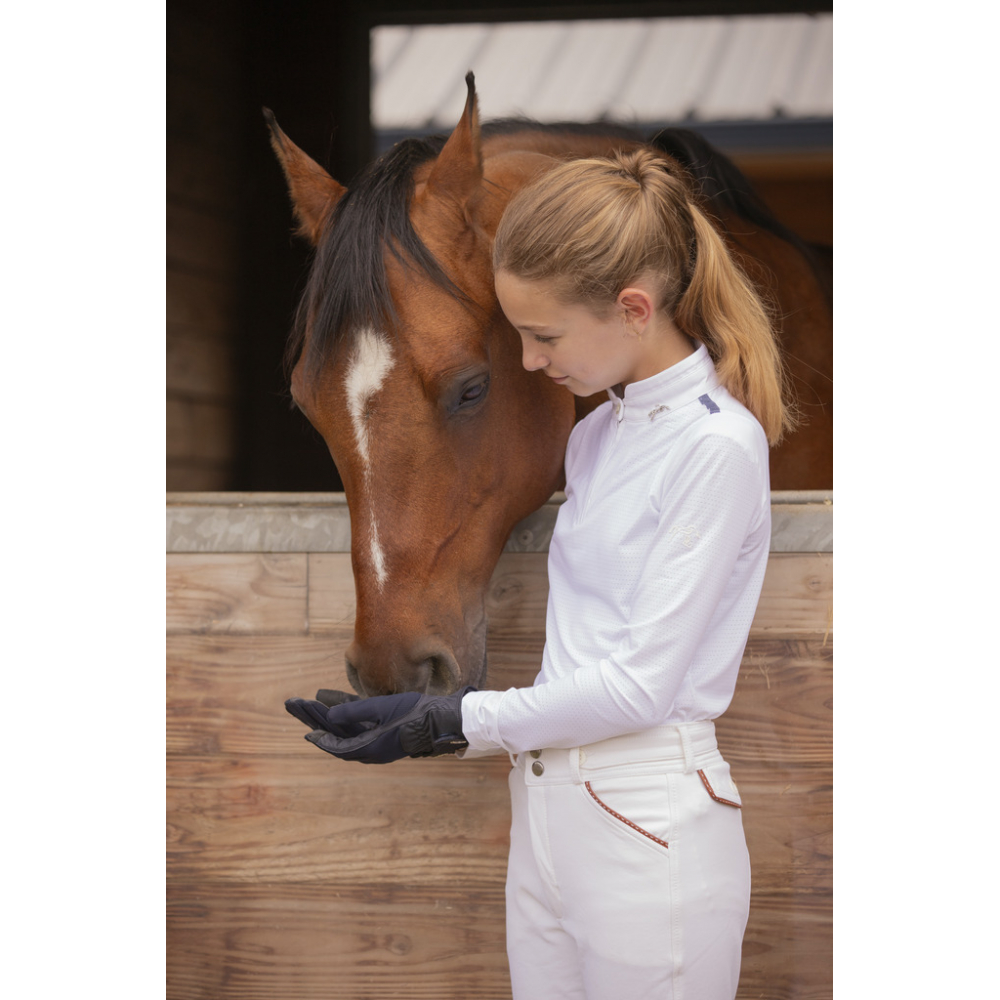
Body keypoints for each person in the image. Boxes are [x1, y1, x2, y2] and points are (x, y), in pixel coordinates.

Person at [285, 148, 795, 999]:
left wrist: (446, 721)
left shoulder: (717, 446)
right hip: (549, 812)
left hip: (649, 819)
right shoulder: (592, 438)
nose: (526, 361)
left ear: (634, 309)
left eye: (545, 335)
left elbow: (638, 688)